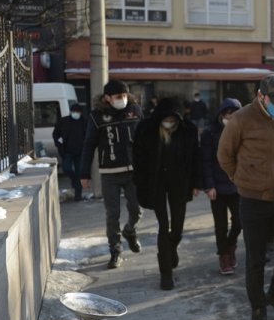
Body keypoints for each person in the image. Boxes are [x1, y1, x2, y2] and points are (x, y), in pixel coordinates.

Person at [218, 75, 274, 320]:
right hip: (252, 200)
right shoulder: (241, 119)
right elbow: (225, 155)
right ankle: (258, 310)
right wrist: (240, 178)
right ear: (260, 96)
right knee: (255, 259)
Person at [132, 97, 202, 290]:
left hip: (180, 182)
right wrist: (139, 182)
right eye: (166, 119)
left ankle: (171, 248)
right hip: (155, 183)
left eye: (173, 120)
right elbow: (137, 157)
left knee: (177, 227)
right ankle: (166, 273)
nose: (169, 123)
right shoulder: (146, 130)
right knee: (163, 225)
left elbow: (196, 158)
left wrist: (196, 183)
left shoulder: (188, 130)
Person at [79, 80, 143, 269]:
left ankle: (130, 230)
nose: (122, 99)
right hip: (109, 173)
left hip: (134, 171)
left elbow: (145, 139)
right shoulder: (97, 116)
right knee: (112, 214)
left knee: (137, 209)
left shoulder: (135, 110)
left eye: (124, 95)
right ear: (108, 98)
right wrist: (84, 173)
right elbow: (89, 145)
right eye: (118, 97)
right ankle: (115, 250)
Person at [201, 97, 244, 275]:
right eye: (227, 114)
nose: (230, 117)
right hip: (217, 187)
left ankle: (229, 246)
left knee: (240, 221)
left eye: (234, 114)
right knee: (220, 225)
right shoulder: (210, 133)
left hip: (238, 185)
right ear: (221, 114)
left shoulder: (244, 131)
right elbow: (205, 161)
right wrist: (209, 186)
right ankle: (224, 257)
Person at [53, 102, 86, 201]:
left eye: (77, 112)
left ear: (80, 113)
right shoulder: (64, 121)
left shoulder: (84, 122)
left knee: (79, 173)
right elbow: (56, 134)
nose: (76, 113)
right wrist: (59, 144)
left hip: (80, 152)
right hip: (67, 151)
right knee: (67, 168)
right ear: (71, 112)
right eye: (74, 111)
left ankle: (78, 195)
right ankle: (74, 180)